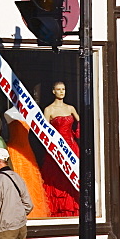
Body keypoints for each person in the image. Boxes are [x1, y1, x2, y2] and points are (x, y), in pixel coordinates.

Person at [41, 81, 80, 217]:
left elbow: (81, 123)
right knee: (57, 178)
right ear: (53, 91)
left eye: (63, 89)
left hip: (72, 147)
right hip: (56, 148)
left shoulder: (70, 108)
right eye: (58, 89)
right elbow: (44, 131)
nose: (61, 92)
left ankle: (73, 206)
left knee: (73, 176)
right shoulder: (49, 110)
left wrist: (76, 133)